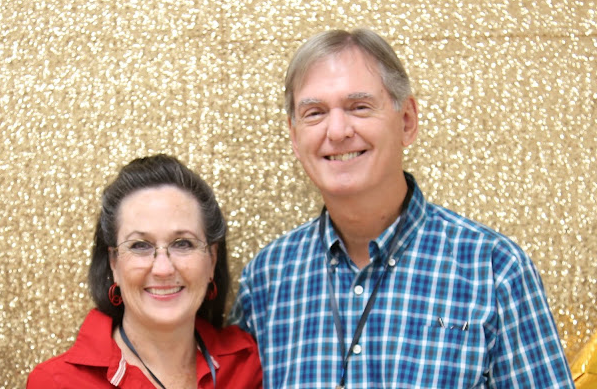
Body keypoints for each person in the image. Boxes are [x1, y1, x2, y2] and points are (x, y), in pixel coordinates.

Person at [229, 29, 575, 388]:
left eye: (359, 107)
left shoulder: (494, 270)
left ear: (407, 121)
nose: (337, 130)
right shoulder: (266, 281)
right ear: (295, 138)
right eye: (314, 113)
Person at [28, 154, 262, 389]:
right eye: (140, 245)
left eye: (183, 244)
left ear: (212, 259)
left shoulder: (249, 363)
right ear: (113, 262)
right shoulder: (55, 382)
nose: (163, 269)